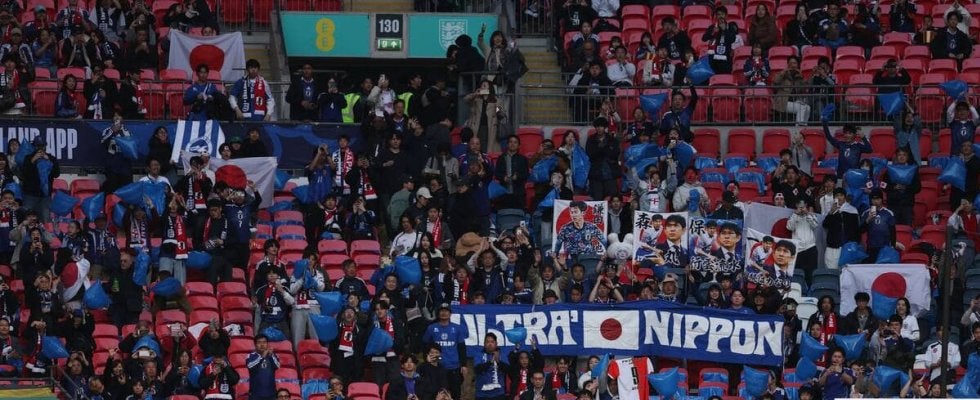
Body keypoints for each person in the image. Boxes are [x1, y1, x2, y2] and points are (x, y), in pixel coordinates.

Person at [422, 304, 467, 400]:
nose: (444, 313)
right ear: (438, 313)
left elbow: (461, 347)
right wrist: (427, 360)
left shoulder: (457, 328)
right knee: (436, 393)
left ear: (450, 314)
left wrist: (463, 365)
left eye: (446, 311)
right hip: (436, 367)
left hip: (453, 367)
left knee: (455, 394)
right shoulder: (431, 328)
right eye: (441, 310)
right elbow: (425, 345)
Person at [822, 188, 860, 269]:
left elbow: (856, 230)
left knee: (846, 271)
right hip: (833, 247)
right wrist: (831, 212)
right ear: (834, 198)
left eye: (841, 195)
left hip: (847, 247)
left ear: (845, 197)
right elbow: (825, 225)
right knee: (831, 270)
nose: (839, 198)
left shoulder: (852, 210)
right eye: (836, 196)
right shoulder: (830, 210)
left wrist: (855, 244)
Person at [586, 117, 620, 200]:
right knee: (597, 199)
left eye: (601, 126)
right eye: (597, 126)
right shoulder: (591, 139)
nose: (599, 128)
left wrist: (601, 150)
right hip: (596, 174)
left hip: (610, 173)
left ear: (605, 127)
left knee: (612, 198)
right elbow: (590, 154)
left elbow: (615, 154)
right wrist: (604, 149)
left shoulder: (612, 139)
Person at [861, 189, 898, 262]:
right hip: (871, 247)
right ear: (870, 200)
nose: (876, 201)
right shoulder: (866, 213)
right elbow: (861, 230)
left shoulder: (889, 213)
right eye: (873, 199)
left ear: (881, 199)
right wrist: (868, 219)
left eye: (878, 199)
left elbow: (893, 231)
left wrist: (892, 246)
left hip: (885, 247)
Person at [701, 6, 741, 74]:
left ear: (726, 16)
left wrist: (725, 30)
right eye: (718, 14)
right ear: (716, 16)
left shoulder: (730, 27)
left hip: (726, 59)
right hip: (713, 59)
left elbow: (732, 39)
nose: (720, 16)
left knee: (724, 78)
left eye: (722, 14)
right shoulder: (712, 27)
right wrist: (713, 32)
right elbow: (704, 38)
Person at [494, 135, 528, 210]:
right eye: (510, 142)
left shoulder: (523, 159)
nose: (512, 144)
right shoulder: (501, 158)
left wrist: (517, 176)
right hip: (503, 193)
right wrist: (503, 177)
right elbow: (497, 173)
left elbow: (526, 175)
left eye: (515, 142)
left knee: (519, 215)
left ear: (519, 145)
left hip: (518, 194)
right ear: (507, 144)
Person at [246, 334, 279, 400]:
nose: (262, 345)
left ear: (267, 344)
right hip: (255, 394)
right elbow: (250, 366)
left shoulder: (272, 355)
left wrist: (271, 356)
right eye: (259, 342)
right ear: (255, 345)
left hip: (271, 394)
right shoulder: (251, 355)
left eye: (264, 342)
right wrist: (262, 357)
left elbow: (277, 366)